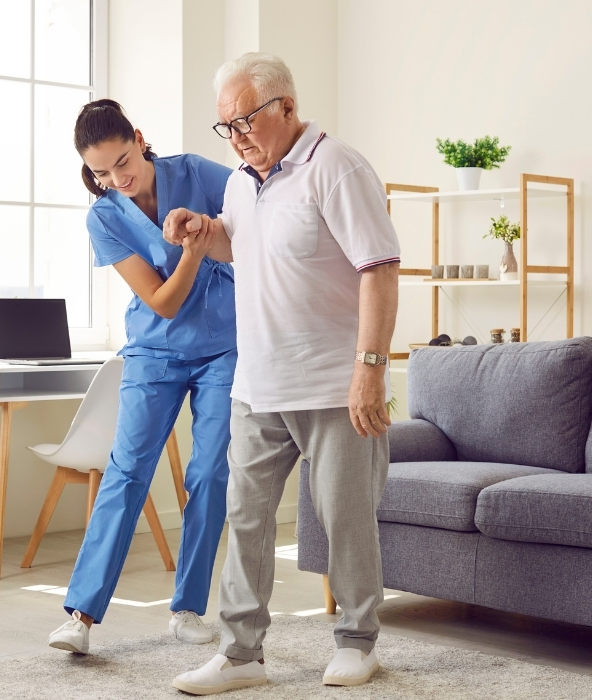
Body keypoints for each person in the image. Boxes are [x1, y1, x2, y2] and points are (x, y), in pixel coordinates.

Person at [164, 53, 400, 694]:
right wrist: (203, 230)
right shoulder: (241, 183)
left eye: (245, 121)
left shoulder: (337, 167)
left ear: (287, 107)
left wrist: (370, 371)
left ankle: (357, 641)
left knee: (345, 518)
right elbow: (242, 245)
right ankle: (241, 654)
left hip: (333, 385)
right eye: (226, 126)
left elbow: (379, 269)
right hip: (258, 385)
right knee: (246, 518)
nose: (236, 137)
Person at [47, 99, 237, 655]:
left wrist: (209, 231)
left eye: (123, 162)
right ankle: (80, 616)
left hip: (224, 348)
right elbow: (162, 301)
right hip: (155, 351)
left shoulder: (197, 173)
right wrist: (195, 252)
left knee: (209, 474)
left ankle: (188, 608)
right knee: (127, 472)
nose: (118, 179)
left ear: (139, 137)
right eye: (102, 172)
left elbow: (257, 213)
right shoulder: (104, 217)